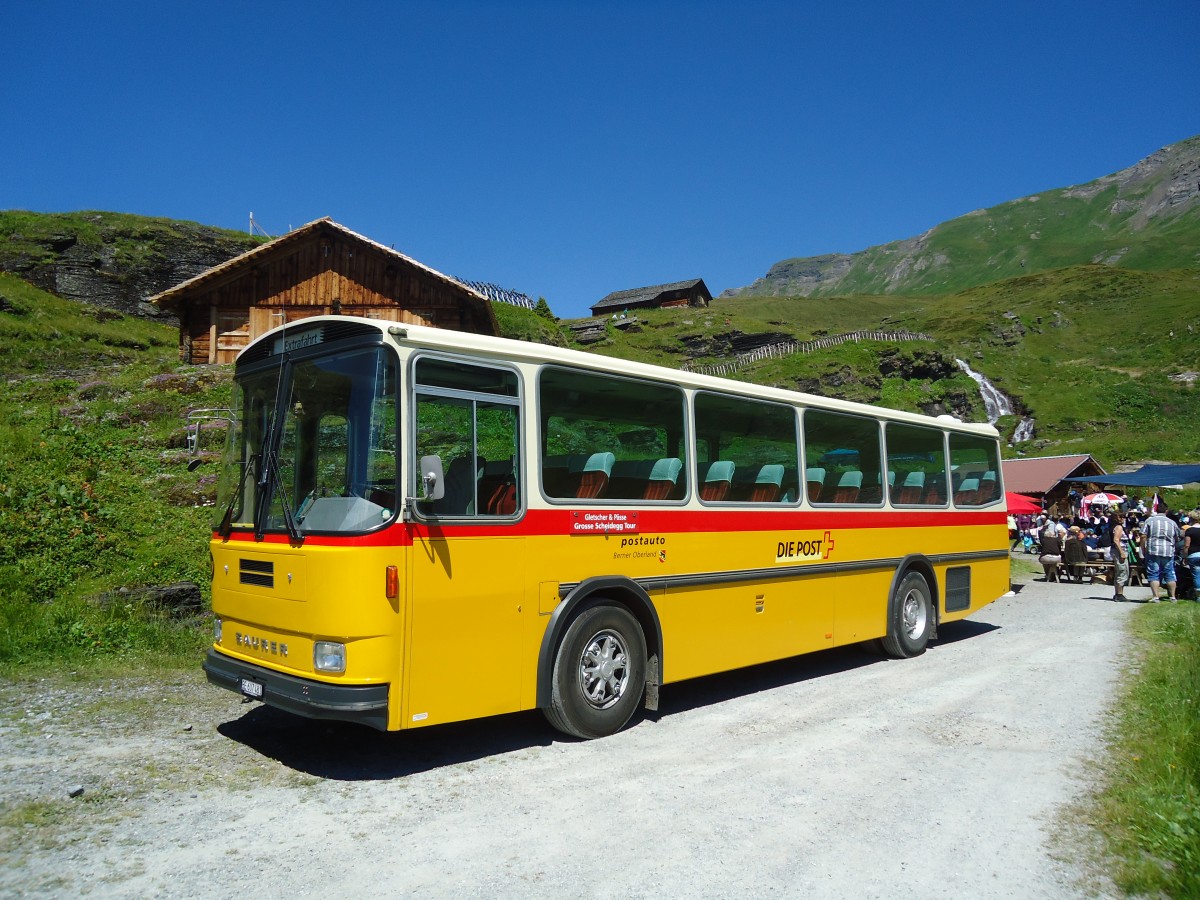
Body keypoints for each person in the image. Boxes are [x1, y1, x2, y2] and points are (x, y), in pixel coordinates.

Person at [1140, 504, 1182, 602]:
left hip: (1153, 550)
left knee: (1153, 573)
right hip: (1168, 550)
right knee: (1170, 573)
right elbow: (1178, 537)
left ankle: (1156, 596)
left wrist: (1142, 549)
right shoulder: (1172, 522)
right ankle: (1172, 596)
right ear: (1166, 511)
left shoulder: (1149, 521)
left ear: (1155, 509)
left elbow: (1143, 536)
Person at [1110, 517, 1130, 602]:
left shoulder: (1113, 526)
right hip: (1119, 552)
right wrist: (1121, 552)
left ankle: (1118, 593)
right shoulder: (1118, 527)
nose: (1123, 519)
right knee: (1122, 571)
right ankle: (1119, 594)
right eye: (1122, 517)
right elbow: (1116, 540)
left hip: (1118, 551)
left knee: (1121, 571)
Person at [1182, 515, 1200, 602]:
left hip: (1194, 555)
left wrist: (1185, 557)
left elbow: (1186, 545)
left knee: (1196, 575)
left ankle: (1198, 596)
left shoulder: (1189, 530)